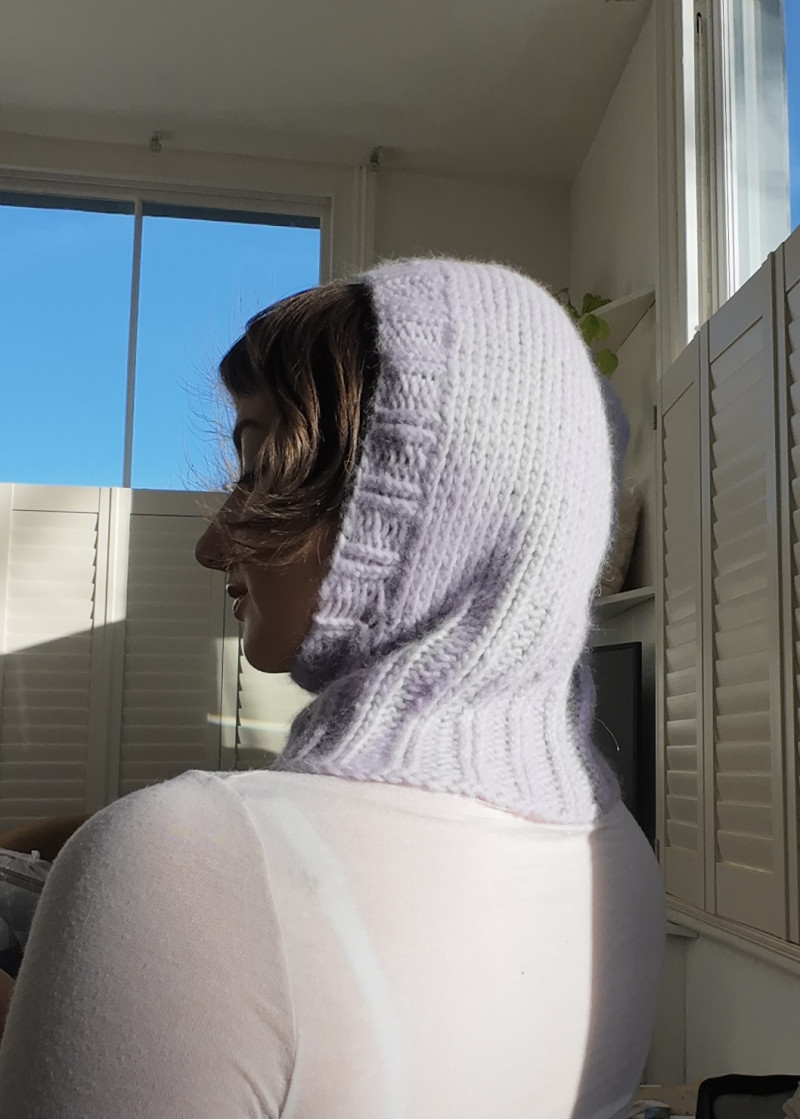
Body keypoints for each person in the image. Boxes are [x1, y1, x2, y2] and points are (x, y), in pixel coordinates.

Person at [0, 258, 665, 1117]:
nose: (211, 544)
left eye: (256, 466)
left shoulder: (186, 863)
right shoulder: (621, 858)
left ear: (417, 508)